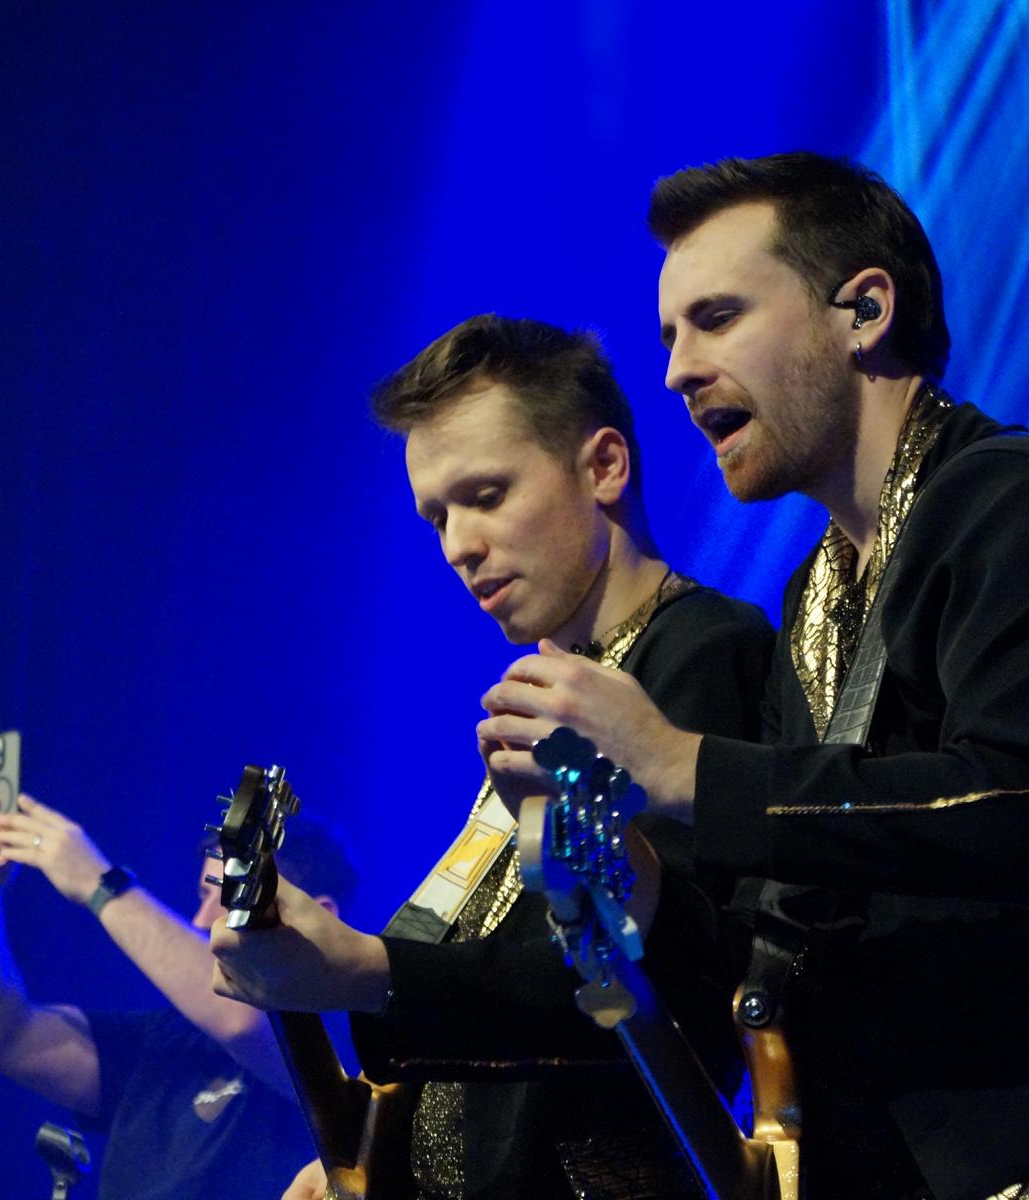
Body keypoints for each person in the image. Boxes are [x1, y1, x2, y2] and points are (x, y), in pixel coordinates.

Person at [476, 153, 1029, 1200]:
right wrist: (623, 858)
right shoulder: (816, 593)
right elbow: (786, 917)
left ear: (864, 311)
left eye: (716, 319)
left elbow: (1025, 806)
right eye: (669, 336)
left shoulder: (1028, 504)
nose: (677, 371)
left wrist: (683, 764)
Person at [209, 314, 774, 1199]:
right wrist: (373, 1153)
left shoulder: (700, 651)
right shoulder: (546, 695)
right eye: (437, 516)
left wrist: (364, 970)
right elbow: (491, 972)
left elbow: (647, 983)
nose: (456, 546)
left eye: (485, 495)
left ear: (604, 467)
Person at [0, 791, 353, 1199]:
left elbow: (241, 1021)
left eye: (231, 896)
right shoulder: (165, 1036)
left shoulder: (353, 1032)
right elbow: (2, 1036)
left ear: (318, 916)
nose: (201, 920)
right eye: (204, 896)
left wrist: (97, 882)